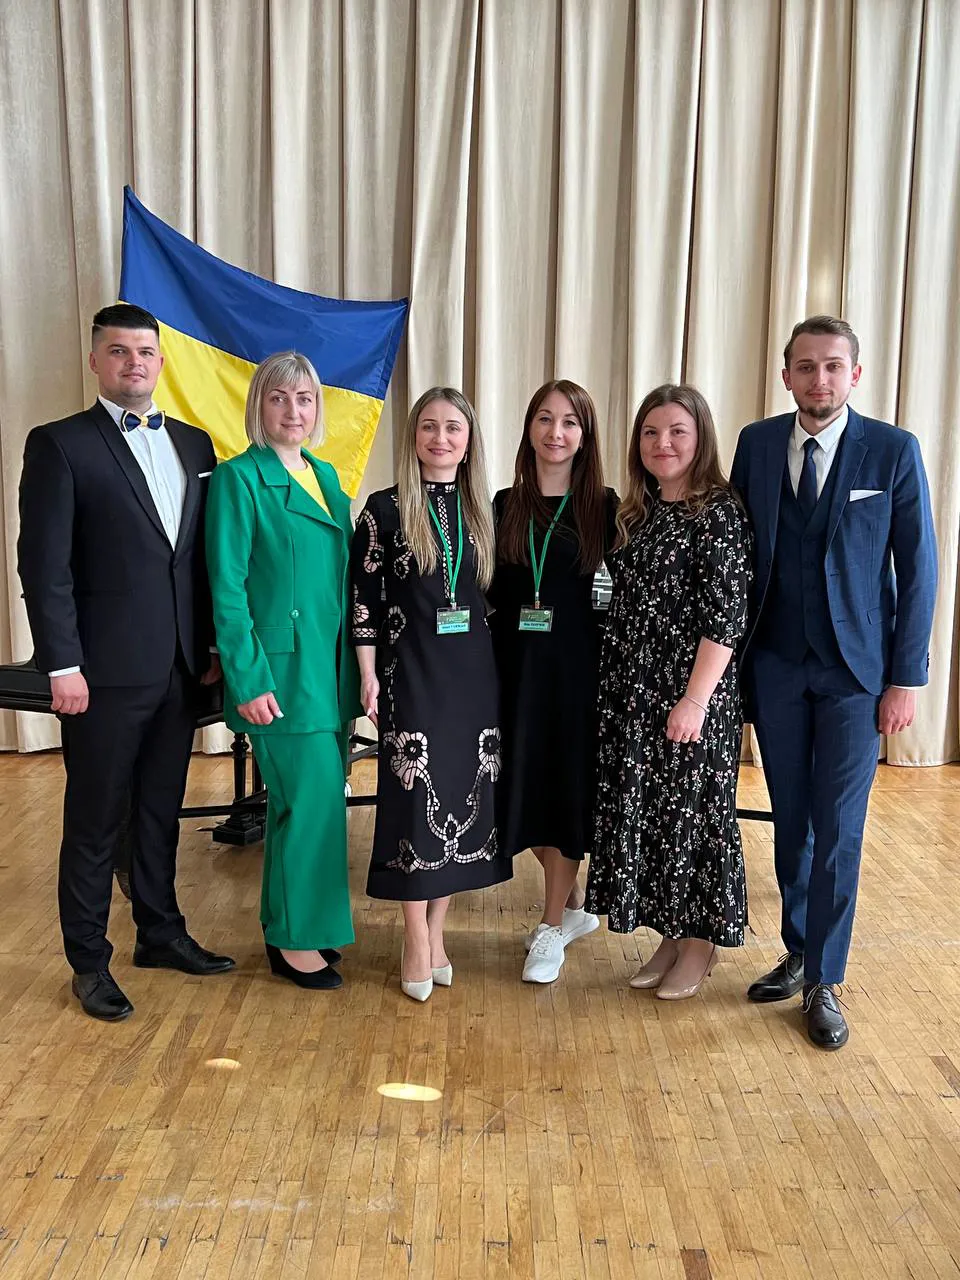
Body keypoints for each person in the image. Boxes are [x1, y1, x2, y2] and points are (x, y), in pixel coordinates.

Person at [17, 303, 234, 1022]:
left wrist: (210, 645)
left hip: (179, 669)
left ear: (161, 361)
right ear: (95, 362)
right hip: (101, 675)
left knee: (159, 812)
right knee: (94, 821)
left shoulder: (196, 445)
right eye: (118, 351)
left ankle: (160, 933)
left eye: (144, 351)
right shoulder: (59, 445)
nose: (133, 363)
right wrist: (62, 665)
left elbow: (200, 561)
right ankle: (88, 961)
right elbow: (43, 565)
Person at [731, 316, 937, 1050]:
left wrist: (905, 679)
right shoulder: (757, 444)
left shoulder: (893, 449)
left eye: (833, 366)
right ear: (785, 374)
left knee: (839, 827)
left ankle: (825, 978)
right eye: (806, 366)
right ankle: (798, 948)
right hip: (776, 664)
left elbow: (919, 569)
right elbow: (737, 552)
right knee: (792, 820)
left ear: (855, 374)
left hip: (857, 673)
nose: (819, 379)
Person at [586, 385, 752, 1000]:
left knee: (694, 817)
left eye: (677, 431)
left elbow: (726, 618)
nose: (663, 443)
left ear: (700, 438)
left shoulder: (719, 512)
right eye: (651, 433)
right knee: (655, 817)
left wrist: (695, 700)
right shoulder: (641, 511)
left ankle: (701, 943)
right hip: (634, 691)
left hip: (689, 693)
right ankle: (671, 934)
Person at [350, 387, 511, 1002]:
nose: (440, 439)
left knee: (463, 796)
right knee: (414, 800)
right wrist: (368, 674)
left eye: (453, 428)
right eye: (429, 427)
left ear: (469, 441)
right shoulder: (384, 510)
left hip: (473, 678)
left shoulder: (483, 510)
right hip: (409, 673)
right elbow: (363, 600)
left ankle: (438, 930)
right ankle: (413, 934)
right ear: (413, 436)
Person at [206, 352, 360, 990]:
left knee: (297, 808)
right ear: (258, 406)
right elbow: (227, 588)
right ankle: (298, 941)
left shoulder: (325, 474)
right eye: (278, 398)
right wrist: (247, 678)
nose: (292, 411)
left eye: (304, 398)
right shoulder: (238, 479)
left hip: (331, 668)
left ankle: (288, 926)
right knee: (314, 805)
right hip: (281, 675)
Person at [489, 380, 618, 983]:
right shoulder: (503, 505)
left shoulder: (608, 509)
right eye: (545, 418)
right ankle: (571, 906)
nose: (556, 432)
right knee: (520, 792)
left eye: (569, 422)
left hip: (576, 677)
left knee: (563, 794)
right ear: (529, 429)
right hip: (514, 673)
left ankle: (550, 926)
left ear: (584, 435)